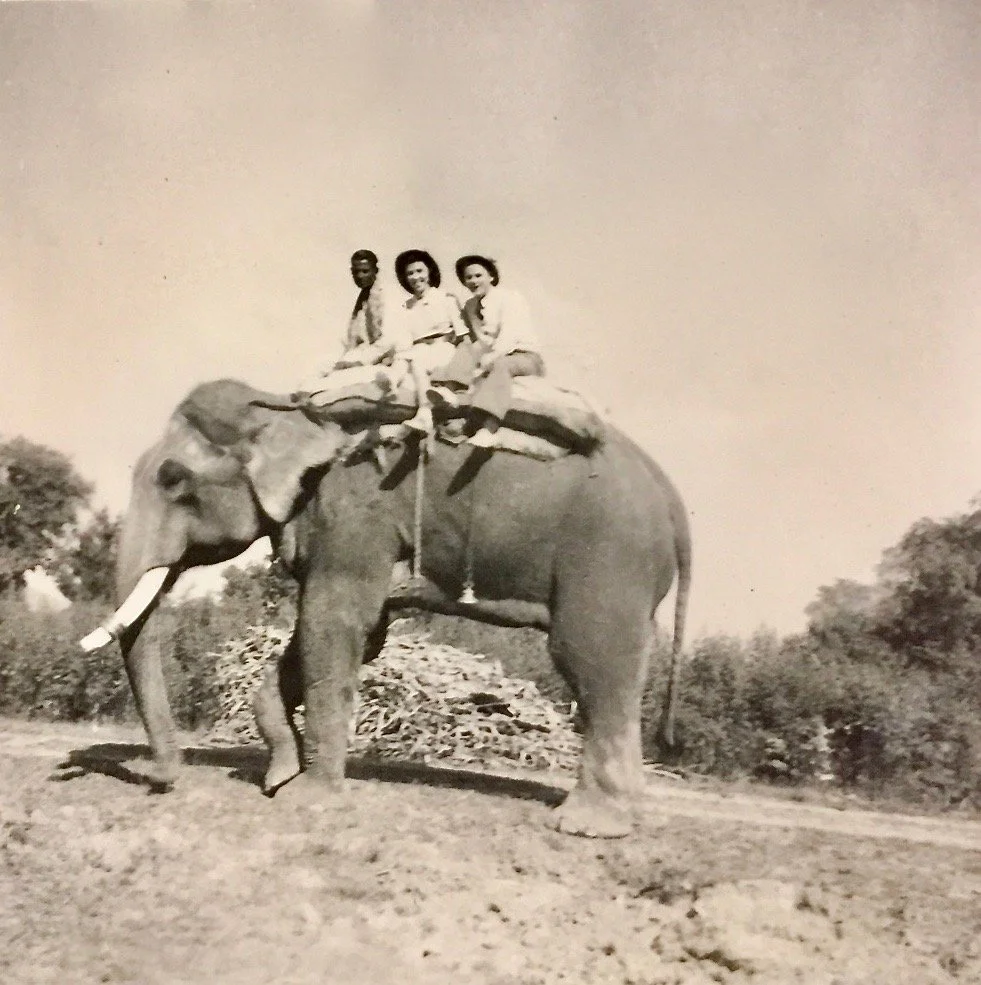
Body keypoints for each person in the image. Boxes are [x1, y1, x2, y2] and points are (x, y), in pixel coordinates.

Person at [429, 254, 545, 447]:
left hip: (523, 355)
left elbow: (510, 334)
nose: (473, 281)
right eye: (468, 278)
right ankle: (449, 391)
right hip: (489, 353)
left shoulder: (510, 297)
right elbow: (473, 340)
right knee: (467, 347)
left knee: (500, 364)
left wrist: (490, 358)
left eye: (478, 275)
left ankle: (490, 429)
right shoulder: (470, 306)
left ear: (491, 276)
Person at [394, 249, 466, 434]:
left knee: (420, 362)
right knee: (406, 363)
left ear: (429, 273)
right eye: (410, 273)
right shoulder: (406, 307)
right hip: (416, 350)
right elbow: (404, 340)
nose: (415, 277)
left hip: (443, 347)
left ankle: (425, 412)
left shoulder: (445, 298)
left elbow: (462, 333)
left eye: (420, 271)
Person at [334, 249, 396, 370]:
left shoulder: (386, 295)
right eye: (356, 272)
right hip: (358, 353)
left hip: (378, 357)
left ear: (375, 271)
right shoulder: (363, 298)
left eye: (365, 271)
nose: (360, 276)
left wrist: (360, 361)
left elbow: (389, 339)